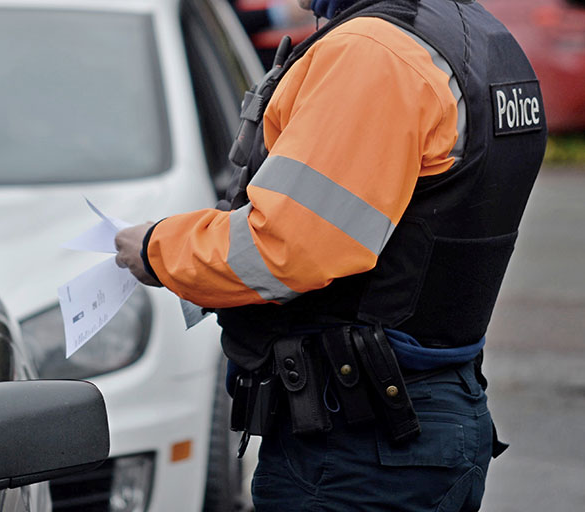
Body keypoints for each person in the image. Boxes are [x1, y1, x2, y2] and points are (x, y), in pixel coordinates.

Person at [115, 0, 547, 509]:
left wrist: (156, 249)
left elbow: (286, 250)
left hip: (358, 443)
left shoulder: (373, 53)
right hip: (422, 416)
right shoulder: (476, 34)